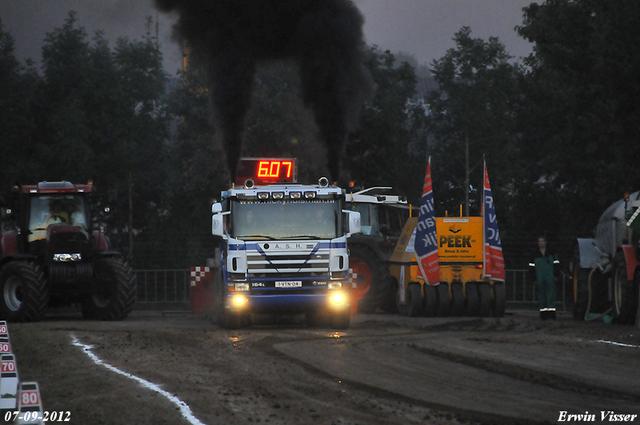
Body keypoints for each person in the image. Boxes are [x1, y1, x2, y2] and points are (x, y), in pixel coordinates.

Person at [529, 235, 560, 320]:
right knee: (541, 296)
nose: (541, 243)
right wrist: (533, 278)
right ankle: (543, 314)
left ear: (546, 242)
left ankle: (552, 314)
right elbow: (531, 267)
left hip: (550, 277)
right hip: (540, 278)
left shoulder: (552, 252)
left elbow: (556, 264)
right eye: (539, 241)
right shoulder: (534, 254)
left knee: (551, 295)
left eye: (542, 241)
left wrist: (556, 275)